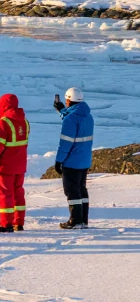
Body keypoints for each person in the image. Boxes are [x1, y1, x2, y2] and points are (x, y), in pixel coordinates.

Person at [0, 93, 30, 233]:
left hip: (6, 167)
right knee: (18, 194)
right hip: (20, 166)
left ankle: (6, 224)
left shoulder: (3, 123)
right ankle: (19, 222)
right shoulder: (25, 122)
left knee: (5, 195)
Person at [54, 87, 93, 229]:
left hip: (72, 161)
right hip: (84, 160)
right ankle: (83, 220)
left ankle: (75, 221)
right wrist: (63, 111)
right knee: (81, 189)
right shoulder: (87, 115)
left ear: (69, 100)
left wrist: (59, 161)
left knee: (72, 191)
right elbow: (74, 118)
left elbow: (65, 143)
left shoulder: (70, 119)